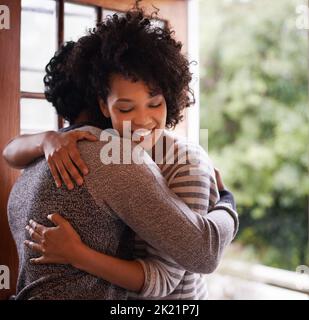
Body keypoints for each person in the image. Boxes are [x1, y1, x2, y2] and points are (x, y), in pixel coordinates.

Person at [4, 8, 238, 300]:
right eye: (125, 108)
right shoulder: (92, 152)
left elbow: (188, 263)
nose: (141, 120)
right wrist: (46, 140)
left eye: (154, 104)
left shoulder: (181, 160)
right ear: (103, 105)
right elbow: (9, 152)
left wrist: (228, 203)